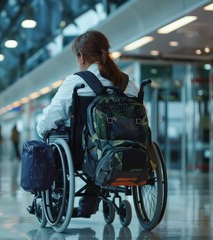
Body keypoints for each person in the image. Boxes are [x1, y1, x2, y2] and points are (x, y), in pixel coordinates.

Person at [36, 30, 139, 218]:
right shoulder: (129, 83)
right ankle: (88, 206)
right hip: (130, 150)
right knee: (98, 149)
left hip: (85, 154)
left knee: (57, 141)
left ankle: (62, 203)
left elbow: (51, 116)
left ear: (81, 56)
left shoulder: (77, 82)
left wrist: (41, 130)